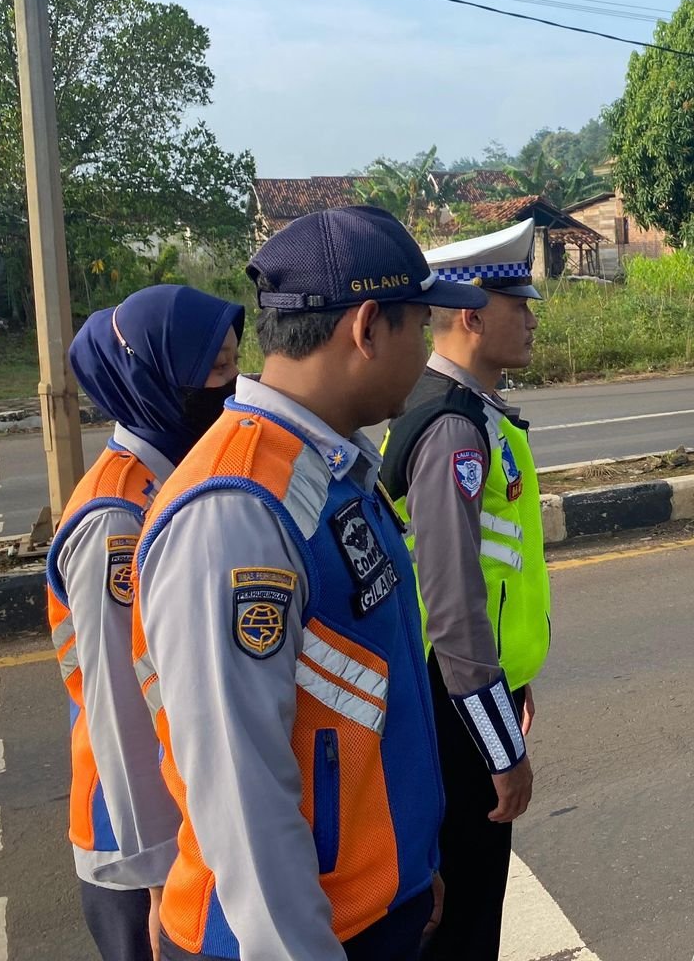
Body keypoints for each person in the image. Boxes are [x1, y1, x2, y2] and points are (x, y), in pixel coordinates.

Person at [129, 206, 487, 961]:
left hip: (371, 910)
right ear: (365, 328)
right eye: (419, 326)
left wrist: (410, 869)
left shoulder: (328, 469)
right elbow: (242, 799)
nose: (427, 350)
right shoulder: (235, 511)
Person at [46, 285, 243, 961]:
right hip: (137, 844)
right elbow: (120, 711)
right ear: (153, 376)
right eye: (215, 369)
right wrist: (159, 875)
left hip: (185, 820)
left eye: (234, 362)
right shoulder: (115, 519)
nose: (233, 383)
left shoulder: (173, 480)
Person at [378, 220, 551, 959]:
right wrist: (500, 747)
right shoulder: (453, 429)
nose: (534, 319)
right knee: (465, 917)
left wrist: (514, 677)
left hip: (472, 690)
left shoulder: (471, 412)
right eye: (521, 306)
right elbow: (451, 604)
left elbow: (496, 574)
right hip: (452, 705)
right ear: (474, 317)